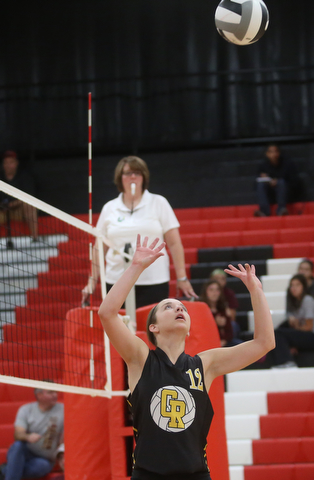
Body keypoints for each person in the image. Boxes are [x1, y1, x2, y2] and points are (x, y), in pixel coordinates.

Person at [97, 235, 275, 480]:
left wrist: (256, 291)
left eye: (182, 307)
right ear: (153, 328)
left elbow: (265, 343)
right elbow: (107, 313)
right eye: (168, 307)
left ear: (189, 328)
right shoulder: (140, 357)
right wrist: (136, 266)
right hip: (149, 475)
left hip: (196, 475)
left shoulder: (205, 364)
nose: (179, 308)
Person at [82, 156, 197, 308]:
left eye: (137, 172)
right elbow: (100, 248)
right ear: (120, 178)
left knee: (152, 327)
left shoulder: (159, 203)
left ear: (144, 177)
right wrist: (91, 281)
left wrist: (182, 278)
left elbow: (175, 244)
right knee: (120, 328)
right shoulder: (109, 208)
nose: (133, 177)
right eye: (128, 173)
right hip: (117, 279)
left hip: (154, 280)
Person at [2, 387, 64, 480]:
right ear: (39, 395)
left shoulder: (63, 409)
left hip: (44, 459)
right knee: (17, 446)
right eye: (51, 392)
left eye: (56, 391)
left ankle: (5, 470)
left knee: (42, 467)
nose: (55, 395)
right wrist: (28, 436)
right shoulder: (26, 409)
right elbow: (18, 434)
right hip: (25, 452)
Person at [272, 274, 314, 367]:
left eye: (297, 285)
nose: (294, 288)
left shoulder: (307, 300)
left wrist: (296, 326)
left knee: (279, 333)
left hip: (311, 335)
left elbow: (308, 327)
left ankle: (287, 361)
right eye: (292, 285)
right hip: (302, 332)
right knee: (279, 330)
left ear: (303, 287)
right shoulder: (292, 302)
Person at [0, 150, 38, 241]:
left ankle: (35, 238)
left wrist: (11, 205)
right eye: (6, 163)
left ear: (16, 163)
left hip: (18, 210)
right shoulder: (1, 177)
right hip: (2, 212)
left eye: (11, 162)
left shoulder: (25, 177)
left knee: (29, 206)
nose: (8, 165)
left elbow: (29, 197)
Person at [254, 143, 299, 217]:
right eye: (271, 152)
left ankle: (281, 210)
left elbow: (294, 181)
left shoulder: (287, 164)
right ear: (267, 154)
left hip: (285, 191)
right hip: (269, 192)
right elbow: (256, 182)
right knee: (260, 184)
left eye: (276, 151)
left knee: (281, 182)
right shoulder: (263, 165)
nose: (274, 154)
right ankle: (264, 212)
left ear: (279, 153)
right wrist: (265, 179)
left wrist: (277, 181)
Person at [199, 279, 241, 347]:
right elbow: (200, 330)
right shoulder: (201, 308)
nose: (214, 293)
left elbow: (229, 332)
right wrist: (215, 323)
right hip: (207, 343)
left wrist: (224, 340)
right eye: (211, 290)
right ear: (205, 292)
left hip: (225, 343)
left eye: (217, 290)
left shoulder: (223, 307)